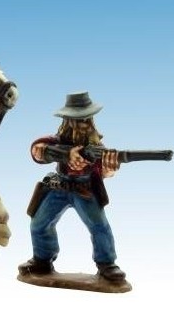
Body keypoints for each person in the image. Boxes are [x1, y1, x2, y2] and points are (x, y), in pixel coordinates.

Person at [17, 92, 127, 282]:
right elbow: (38, 150)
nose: (82, 124)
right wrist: (63, 154)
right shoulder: (57, 141)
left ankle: (107, 264)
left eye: (85, 119)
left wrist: (110, 168)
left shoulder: (97, 147)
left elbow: (105, 172)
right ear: (67, 121)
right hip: (58, 187)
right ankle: (42, 259)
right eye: (76, 119)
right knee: (39, 224)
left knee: (99, 226)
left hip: (85, 190)